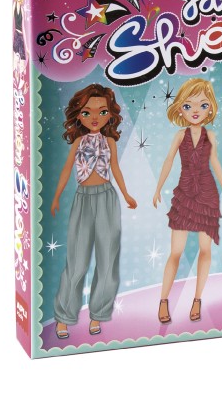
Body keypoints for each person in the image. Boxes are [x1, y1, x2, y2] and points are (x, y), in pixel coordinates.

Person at [51, 84, 137, 339]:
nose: (95, 117)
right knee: (76, 262)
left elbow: (115, 168)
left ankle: (98, 314)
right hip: (83, 199)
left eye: (103, 111)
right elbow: (67, 169)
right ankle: (64, 316)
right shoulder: (78, 141)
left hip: (107, 198)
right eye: (87, 112)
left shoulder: (109, 141)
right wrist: (56, 196)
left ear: (111, 114)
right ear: (78, 115)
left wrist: (126, 194)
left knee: (107, 259)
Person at [153, 78, 222, 324]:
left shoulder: (211, 135)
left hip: (207, 193)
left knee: (205, 249)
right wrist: (158, 188)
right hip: (185, 192)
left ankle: (197, 299)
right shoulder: (180, 135)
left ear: (211, 108)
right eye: (188, 106)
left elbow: (214, 161)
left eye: (203, 105)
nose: (196, 111)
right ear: (180, 108)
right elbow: (169, 160)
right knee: (175, 251)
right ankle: (163, 300)